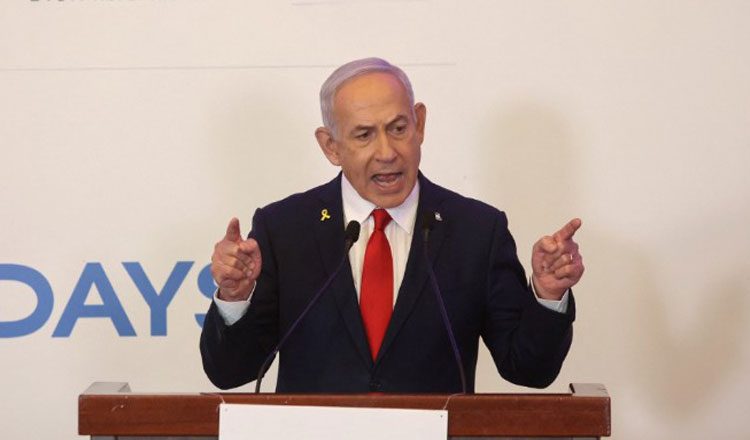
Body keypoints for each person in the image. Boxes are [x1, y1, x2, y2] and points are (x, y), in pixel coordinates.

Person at [200, 57, 584, 393]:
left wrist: (548, 295)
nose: (387, 152)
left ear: (419, 123)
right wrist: (234, 297)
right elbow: (230, 372)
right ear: (331, 146)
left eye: (398, 128)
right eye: (364, 135)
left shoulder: (477, 232)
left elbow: (528, 370)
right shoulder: (284, 230)